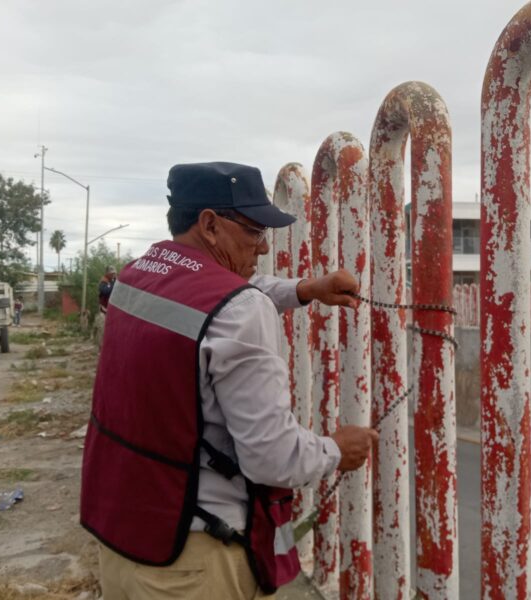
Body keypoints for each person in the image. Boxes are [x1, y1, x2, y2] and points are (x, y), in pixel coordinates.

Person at [80, 161, 378, 599]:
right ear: (210, 224)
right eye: (255, 232)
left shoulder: (136, 277)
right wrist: (336, 449)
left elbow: (217, 297)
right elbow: (273, 458)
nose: (261, 248)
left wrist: (303, 289)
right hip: (194, 561)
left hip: (124, 536)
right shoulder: (241, 310)